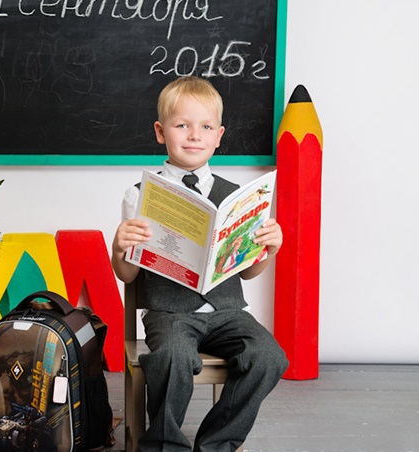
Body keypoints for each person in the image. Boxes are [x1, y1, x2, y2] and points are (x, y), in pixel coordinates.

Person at [111, 76, 288, 452]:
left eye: (206, 127)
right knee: (172, 357)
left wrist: (267, 250)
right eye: (182, 125)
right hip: (170, 314)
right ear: (161, 132)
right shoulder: (139, 195)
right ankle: (164, 444)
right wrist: (120, 249)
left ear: (219, 136)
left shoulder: (236, 197)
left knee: (268, 356)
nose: (194, 135)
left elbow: (247, 271)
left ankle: (216, 444)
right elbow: (128, 274)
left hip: (228, 313)